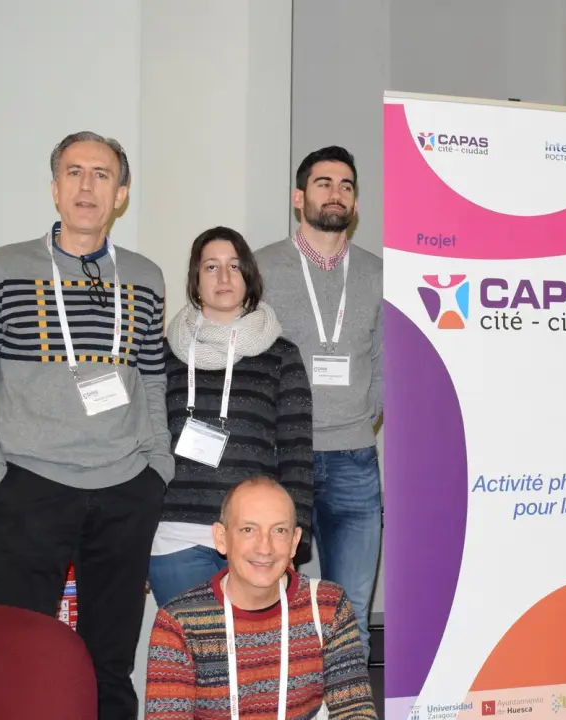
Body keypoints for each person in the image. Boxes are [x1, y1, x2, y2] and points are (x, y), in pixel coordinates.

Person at [0, 131, 173, 719]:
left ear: (120, 194)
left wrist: (158, 468)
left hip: (126, 490)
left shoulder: (145, 278)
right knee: (16, 657)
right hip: (30, 489)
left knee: (109, 665)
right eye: (74, 172)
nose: (86, 185)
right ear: (54, 188)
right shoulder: (2, 269)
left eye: (101, 174)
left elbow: (151, 379)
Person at [255, 146, 383, 655]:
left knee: (350, 611)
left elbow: (385, 359)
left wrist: (365, 415)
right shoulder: (261, 267)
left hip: (355, 458)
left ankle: (346, 695)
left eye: (346, 186)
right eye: (324, 183)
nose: (336, 193)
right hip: (283, 458)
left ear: (355, 203)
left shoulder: (377, 273)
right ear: (298, 197)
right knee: (269, 604)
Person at [147, 227, 315, 606]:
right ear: (195, 280)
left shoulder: (281, 355)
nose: (223, 277)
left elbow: (297, 455)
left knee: (253, 645)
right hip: (176, 536)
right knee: (189, 643)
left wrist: (293, 538)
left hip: (256, 541)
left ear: (248, 276)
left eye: (234, 266)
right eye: (211, 267)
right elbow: (145, 447)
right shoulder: (164, 354)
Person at [145, 476, 376, 718]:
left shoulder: (327, 605)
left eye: (279, 530)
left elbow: (355, 710)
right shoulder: (178, 623)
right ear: (221, 538)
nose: (264, 548)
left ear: (294, 541)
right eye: (248, 530)